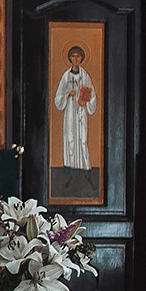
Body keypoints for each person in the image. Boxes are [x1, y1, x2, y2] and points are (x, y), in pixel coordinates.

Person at [51, 45, 98, 196]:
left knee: (82, 140)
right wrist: (67, 95)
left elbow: (92, 94)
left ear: (82, 58)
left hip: (81, 113)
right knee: (70, 140)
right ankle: (71, 175)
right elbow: (58, 97)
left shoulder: (85, 76)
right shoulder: (66, 76)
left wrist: (87, 101)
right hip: (70, 113)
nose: (76, 59)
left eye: (78, 56)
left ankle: (87, 174)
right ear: (70, 58)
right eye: (73, 56)